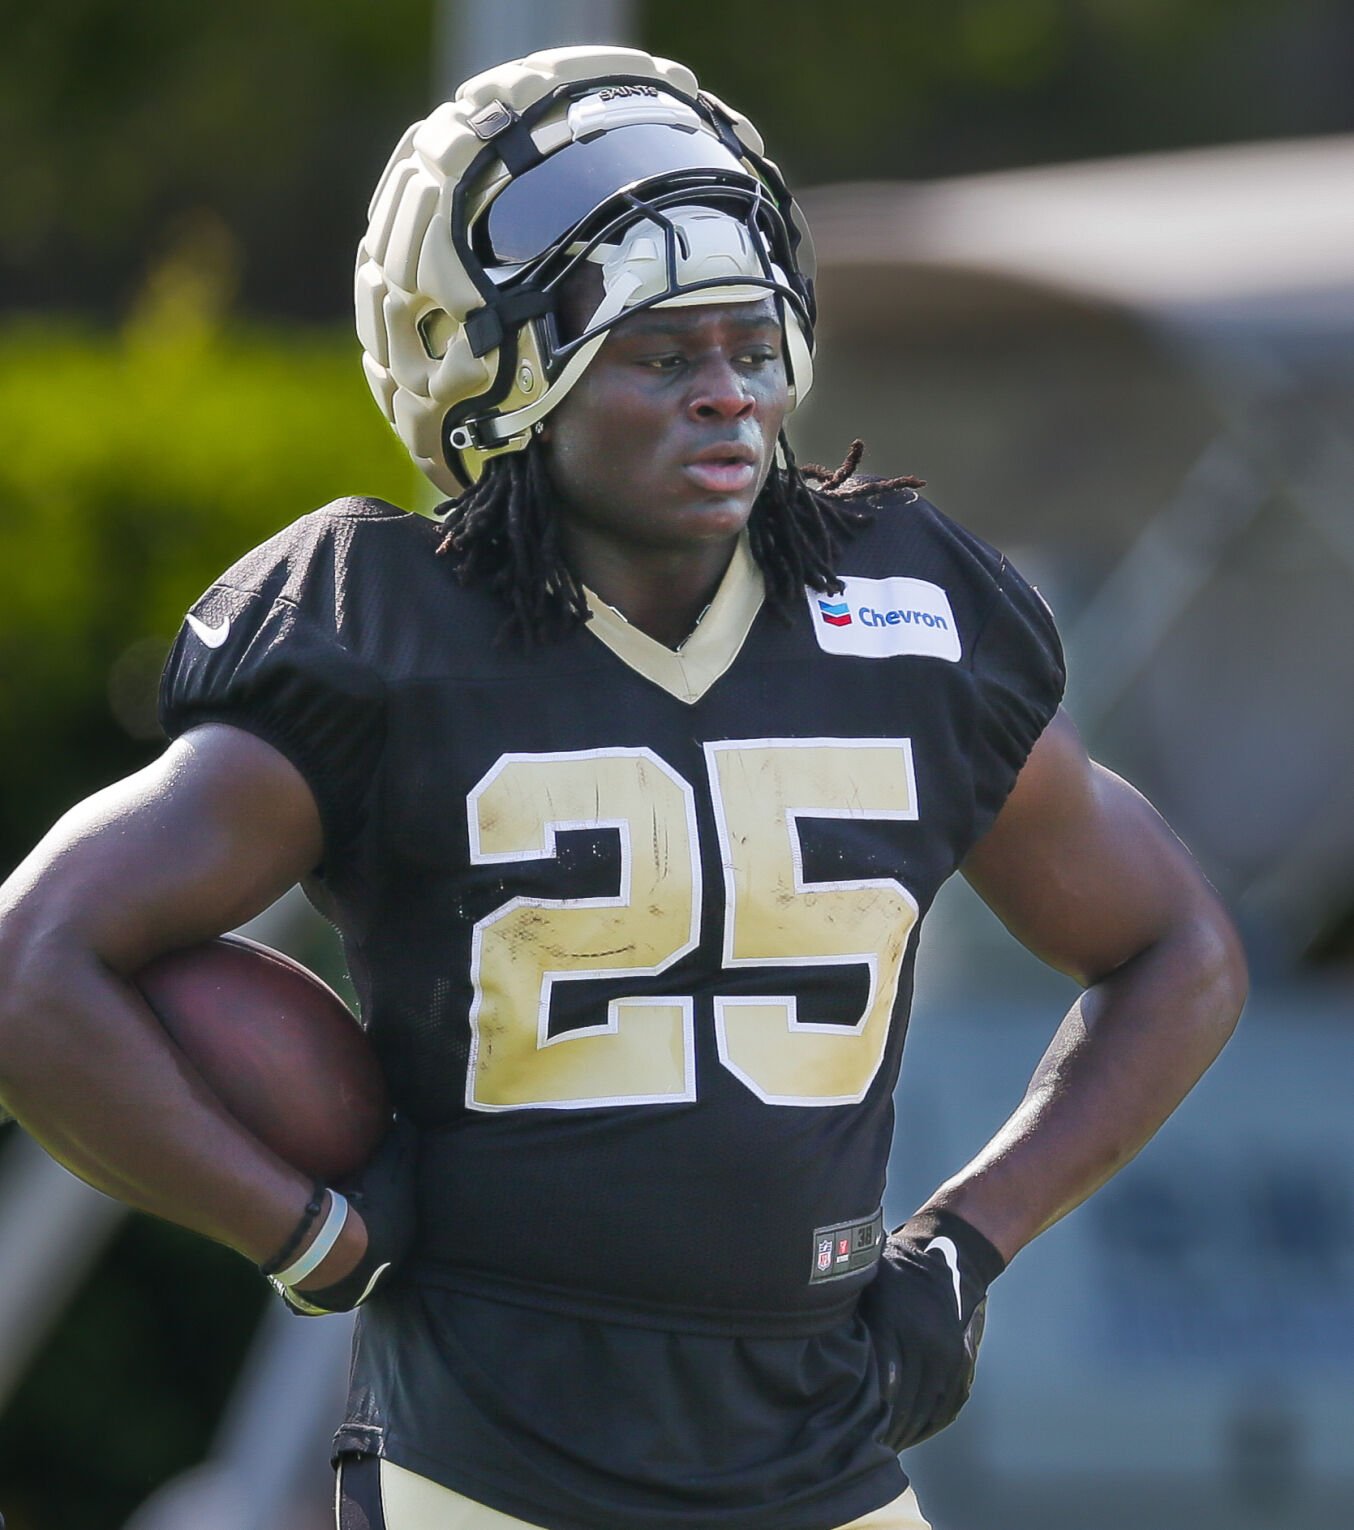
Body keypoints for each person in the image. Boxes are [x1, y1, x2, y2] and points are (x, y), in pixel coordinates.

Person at [0, 44, 1245, 1530]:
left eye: (749, 342)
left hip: (821, 1446)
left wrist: (970, 1239)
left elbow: (1180, 950)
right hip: (491, 1456)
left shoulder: (905, 612)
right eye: (661, 354)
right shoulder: (384, 635)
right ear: (499, 378)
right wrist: (300, 1234)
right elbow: (35, 962)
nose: (727, 399)